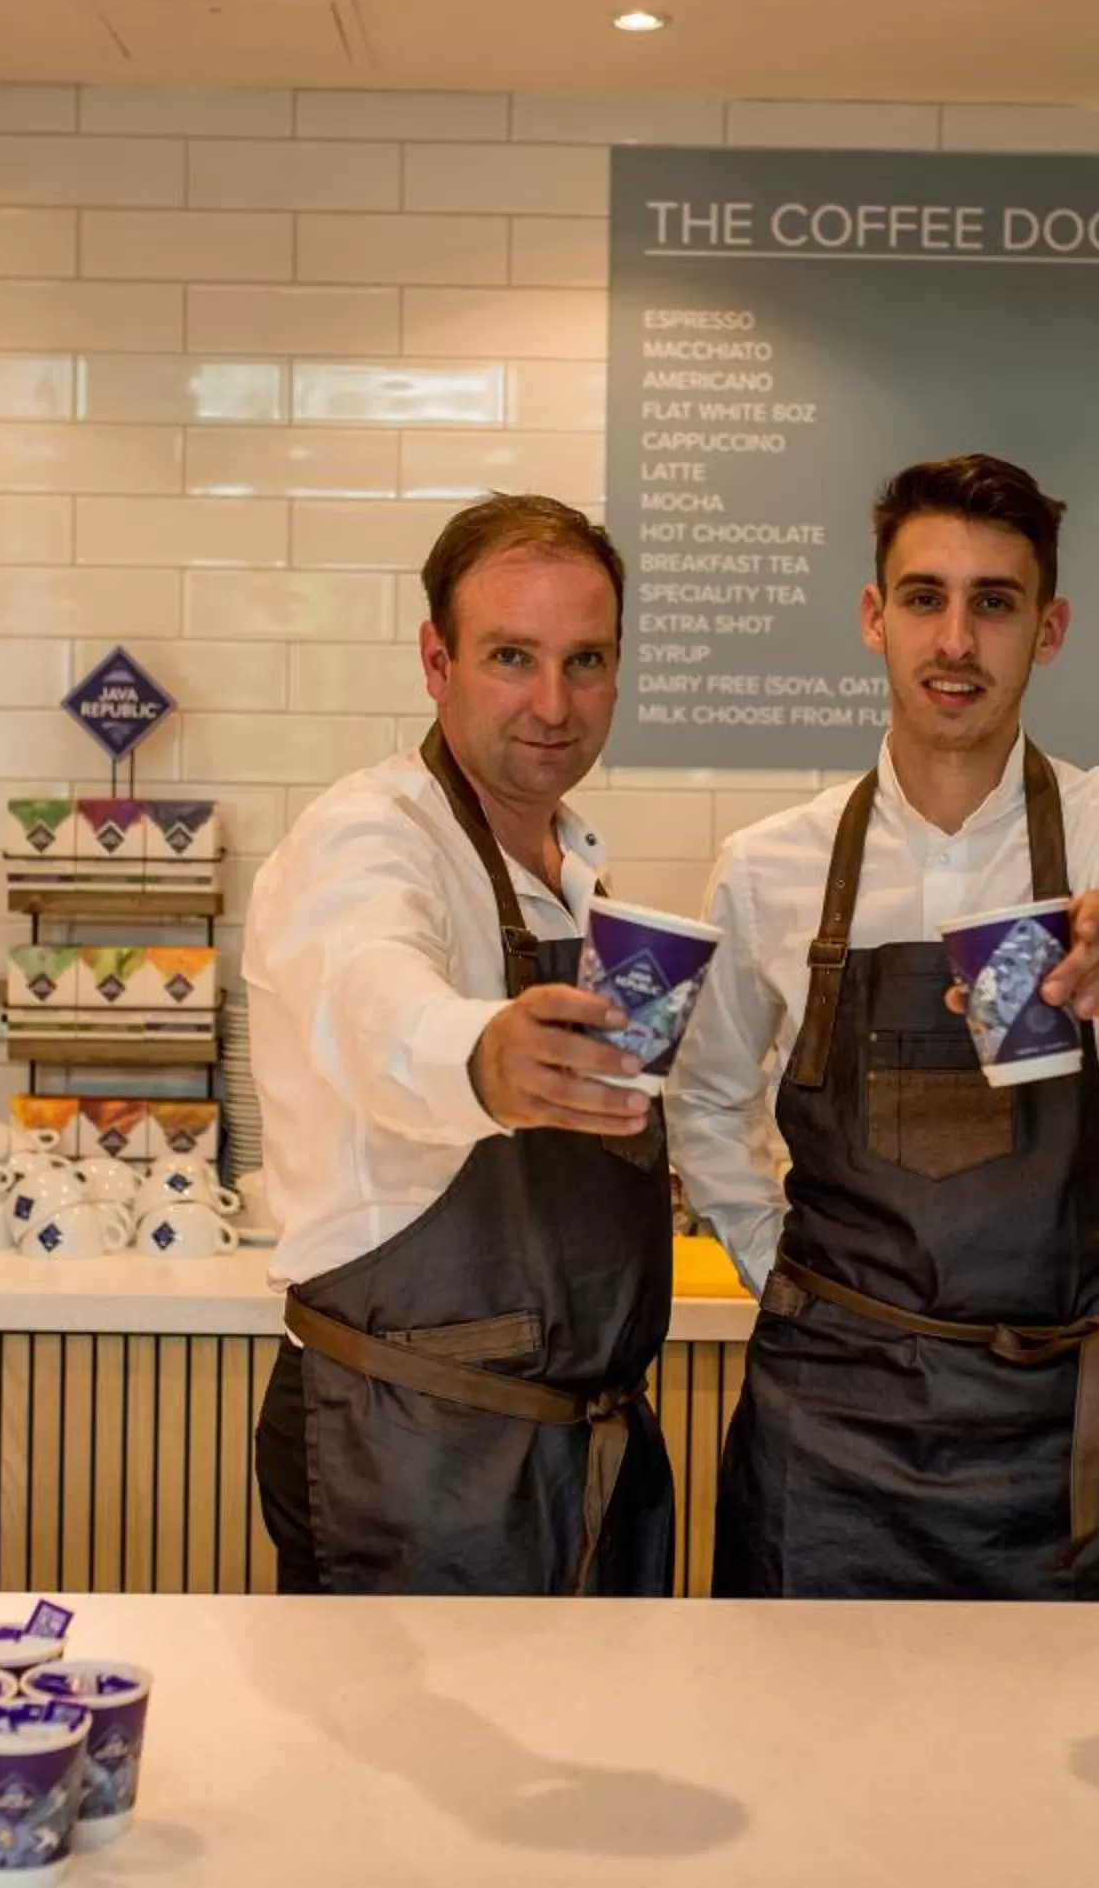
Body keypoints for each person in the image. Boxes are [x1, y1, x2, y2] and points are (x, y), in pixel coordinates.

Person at [667, 453, 1099, 1600]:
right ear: (873, 616)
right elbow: (706, 1099)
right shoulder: (770, 868)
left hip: (1049, 1426)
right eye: (925, 597)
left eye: (995, 602)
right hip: (825, 1422)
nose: (955, 640)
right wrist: (780, 1277)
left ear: (1049, 628)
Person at [243, 492, 676, 1596]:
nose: (553, 702)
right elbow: (369, 991)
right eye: (511, 657)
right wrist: (481, 1055)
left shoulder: (574, 868)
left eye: (586, 661)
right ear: (436, 661)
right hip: (410, 1453)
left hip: (584, 1450)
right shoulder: (367, 836)